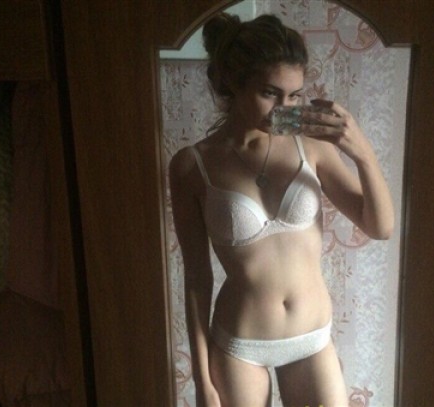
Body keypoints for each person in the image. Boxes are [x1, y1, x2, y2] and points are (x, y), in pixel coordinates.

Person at [169, 12, 394, 407]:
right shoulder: (192, 166)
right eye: (270, 93)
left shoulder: (312, 145)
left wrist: (363, 153)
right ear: (232, 83)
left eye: (293, 96)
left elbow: (380, 227)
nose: (281, 108)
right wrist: (202, 382)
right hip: (240, 346)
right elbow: (197, 279)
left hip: (312, 341)